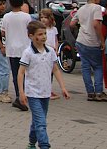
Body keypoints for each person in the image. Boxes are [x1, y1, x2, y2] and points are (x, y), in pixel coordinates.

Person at [18, 21, 70, 149]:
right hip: (32, 93)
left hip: (46, 92)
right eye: (40, 34)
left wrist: (63, 87)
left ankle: (31, 143)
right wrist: (21, 92)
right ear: (31, 36)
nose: (43, 37)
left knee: (37, 122)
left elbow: (56, 69)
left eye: (45, 33)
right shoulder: (28, 53)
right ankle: (44, 145)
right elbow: (21, 73)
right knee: (41, 123)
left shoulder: (50, 51)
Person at [72, 0, 107, 102]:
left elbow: (72, 24)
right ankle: (98, 91)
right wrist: (102, 41)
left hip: (81, 41)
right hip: (92, 42)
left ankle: (90, 92)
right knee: (98, 67)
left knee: (85, 67)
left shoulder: (81, 9)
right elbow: (96, 24)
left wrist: (80, 29)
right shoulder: (97, 8)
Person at [3, 0, 32, 109]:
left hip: (12, 49)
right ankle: (25, 95)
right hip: (25, 48)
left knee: (16, 74)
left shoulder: (6, 16)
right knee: (26, 73)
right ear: (22, 3)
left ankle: (19, 95)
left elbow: (3, 32)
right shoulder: (26, 16)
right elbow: (30, 31)